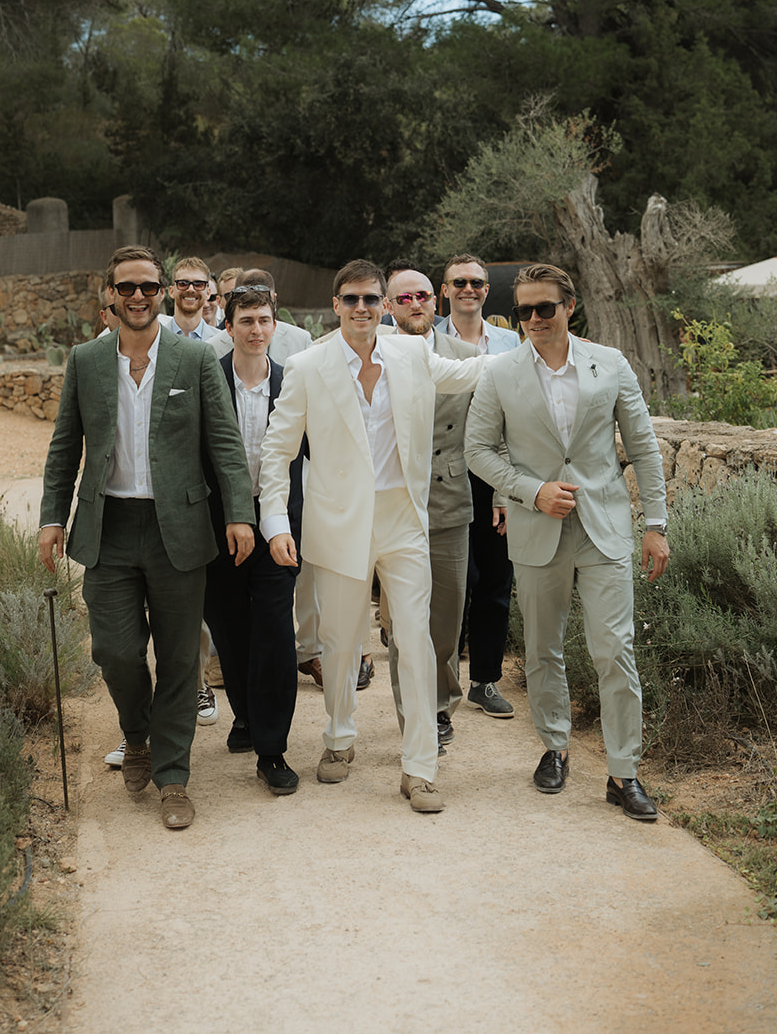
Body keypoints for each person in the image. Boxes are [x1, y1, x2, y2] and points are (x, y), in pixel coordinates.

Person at [39, 245, 254, 830]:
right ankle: (137, 735)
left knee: (181, 658)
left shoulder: (193, 359)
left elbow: (226, 444)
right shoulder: (85, 361)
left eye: (148, 287)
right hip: (107, 527)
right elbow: (65, 446)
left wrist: (239, 513)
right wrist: (51, 517)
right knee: (114, 650)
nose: (138, 297)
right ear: (109, 293)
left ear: (162, 292)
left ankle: (174, 777)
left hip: (178, 529)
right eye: (126, 287)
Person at [258, 259, 483, 812]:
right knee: (339, 647)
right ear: (335, 306)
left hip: (404, 519)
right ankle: (339, 736)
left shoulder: (411, 354)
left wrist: (536, 348)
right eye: (351, 299)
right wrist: (276, 523)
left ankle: (420, 767)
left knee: (415, 638)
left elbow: (472, 373)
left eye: (371, 299)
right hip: (337, 523)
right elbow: (277, 450)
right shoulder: (306, 366)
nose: (362, 308)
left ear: (384, 304)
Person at [464, 262, 669, 821]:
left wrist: (656, 524)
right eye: (523, 310)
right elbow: (477, 450)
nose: (532, 319)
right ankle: (554, 748)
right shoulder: (500, 373)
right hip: (537, 530)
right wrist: (531, 491)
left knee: (615, 650)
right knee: (542, 649)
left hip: (605, 529)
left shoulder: (612, 363)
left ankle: (624, 772)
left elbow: (644, 448)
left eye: (543, 308)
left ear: (568, 307)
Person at [203, 286, 305, 795]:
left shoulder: (292, 385)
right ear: (228, 326)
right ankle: (245, 712)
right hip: (219, 526)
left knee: (273, 633)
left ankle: (272, 748)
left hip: (278, 527)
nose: (256, 330)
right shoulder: (208, 381)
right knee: (229, 629)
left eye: (264, 320)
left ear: (274, 324)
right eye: (246, 320)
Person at [383, 263, 477, 749]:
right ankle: (419, 717)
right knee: (406, 623)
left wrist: (502, 494)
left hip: (449, 498)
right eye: (404, 298)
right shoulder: (370, 354)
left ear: (434, 302)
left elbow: (493, 431)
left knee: (446, 618)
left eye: (422, 296)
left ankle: (442, 699)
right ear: (388, 306)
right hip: (396, 502)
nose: (415, 304)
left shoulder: (465, 356)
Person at [436, 252, 519, 722]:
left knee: (494, 581)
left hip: (495, 473)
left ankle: (484, 680)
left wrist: (508, 490)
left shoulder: (510, 343)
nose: (468, 289)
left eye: (477, 283)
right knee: (452, 585)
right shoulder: (428, 340)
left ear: (487, 290)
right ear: (444, 289)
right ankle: (442, 685)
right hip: (444, 470)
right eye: (459, 282)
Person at [210, 268, 312, 366]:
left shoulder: (301, 341)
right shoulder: (213, 347)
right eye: (246, 321)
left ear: (274, 299)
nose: (256, 330)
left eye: (265, 299)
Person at [160, 255, 222, 341]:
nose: (191, 289)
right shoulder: (155, 338)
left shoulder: (221, 341)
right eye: (183, 284)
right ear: (171, 291)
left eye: (198, 284)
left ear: (208, 293)